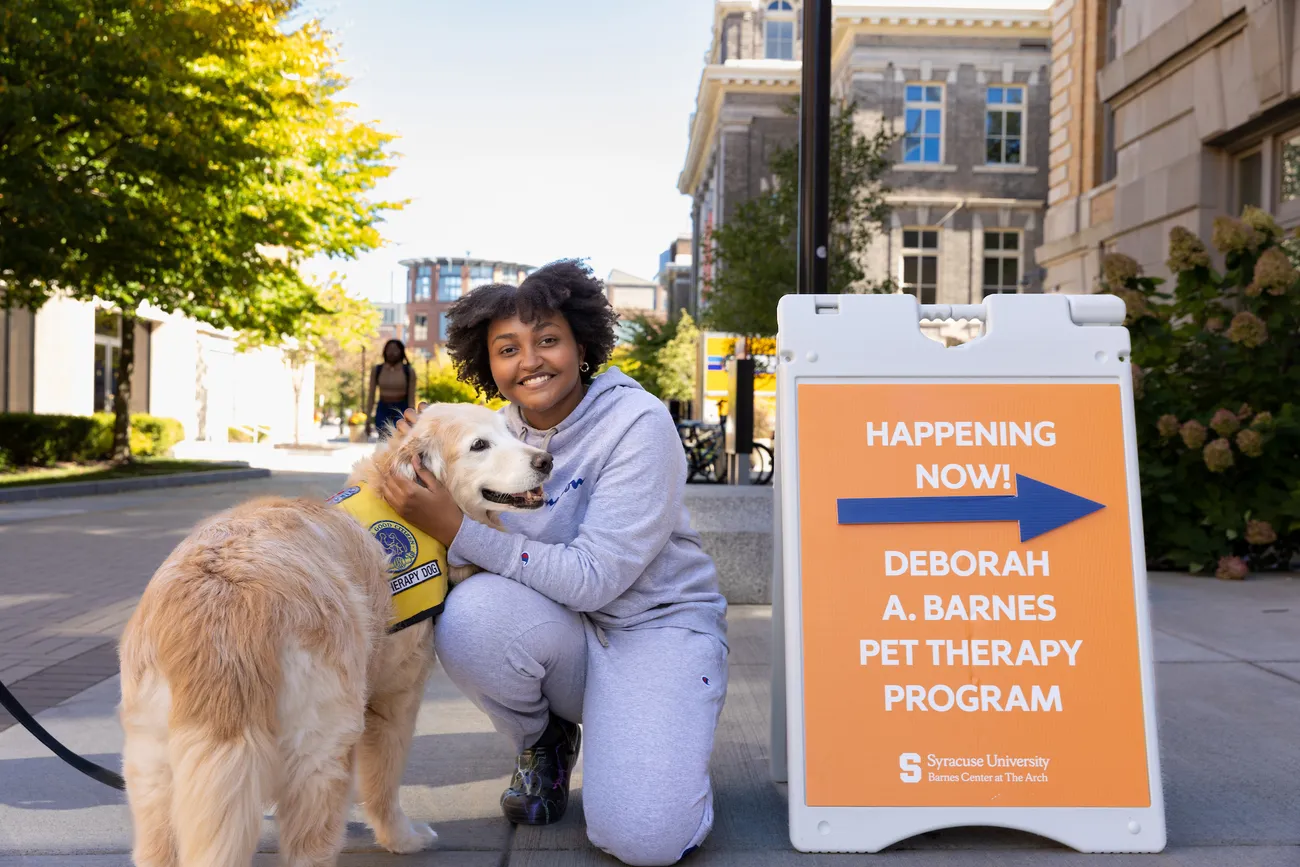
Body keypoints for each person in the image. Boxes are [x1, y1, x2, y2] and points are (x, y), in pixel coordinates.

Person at [376, 260, 728, 866]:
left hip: (657, 630)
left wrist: (455, 526)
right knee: (471, 617)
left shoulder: (637, 425)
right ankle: (545, 741)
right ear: (487, 364)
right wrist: (417, 463)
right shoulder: (491, 431)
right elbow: (449, 552)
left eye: (547, 340)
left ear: (581, 344)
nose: (529, 360)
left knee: (644, 837)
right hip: (563, 636)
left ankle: (660, 748)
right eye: (508, 348)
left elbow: (594, 577)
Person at [367, 339, 417, 439]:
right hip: (383, 409)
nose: (392, 352)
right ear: (384, 351)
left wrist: (412, 418)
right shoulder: (377, 370)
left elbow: (412, 397)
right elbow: (371, 394)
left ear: (401, 352)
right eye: (389, 349)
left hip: (401, 409)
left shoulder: (409, 371)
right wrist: (368, 418)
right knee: (383, 438)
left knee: (400, 439)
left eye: (395, 349)